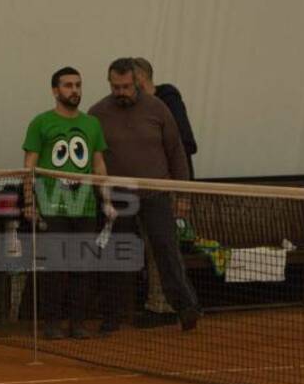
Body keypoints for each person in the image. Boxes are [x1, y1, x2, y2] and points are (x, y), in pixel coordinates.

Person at [89, 58, 201, 333]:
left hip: (156, 194)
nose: (121, 92)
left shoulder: (158, 108)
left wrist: (184, 195)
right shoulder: (97, 113)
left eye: (126, 86)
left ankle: (186, 309)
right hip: (118, 198)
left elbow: (176, 152)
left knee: (166, 250)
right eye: (116, 87)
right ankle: (112, 317)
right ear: (109, 83)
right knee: (117, 255)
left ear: (136, 82)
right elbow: (93, 157)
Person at [22, 67, 114, 340]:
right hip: (53, 207)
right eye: (67, 85)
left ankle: (77, 322)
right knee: (55, 267)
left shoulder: (92, 124)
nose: (74, 90)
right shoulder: (40, 123)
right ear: (55, 90)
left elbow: (98, 164)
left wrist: (106, 200)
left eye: (78, 85)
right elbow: (29, 166)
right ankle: (52, 322)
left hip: (84, 207)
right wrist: (30, 202)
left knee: (82, 267)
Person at [132, 57, 198, 323]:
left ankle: (172, 305)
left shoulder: (167, 101)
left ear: (142, 80)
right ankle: (159, 303)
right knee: (152, 248)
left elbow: (184, 146)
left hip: (168, 187)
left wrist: (183, 194)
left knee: (166, 248)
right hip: (141, 190)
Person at [132, 58, 197, 179]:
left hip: (174, 176)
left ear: (140, 77)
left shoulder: (169, 101)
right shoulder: (135, 105)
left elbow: (185, 140)